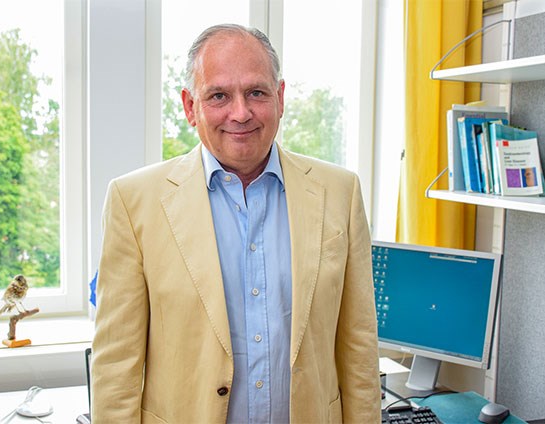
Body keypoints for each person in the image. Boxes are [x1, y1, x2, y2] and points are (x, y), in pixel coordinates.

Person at [91, 23, 380, 423]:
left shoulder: (340, 193)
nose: (240, 113)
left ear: (280, 98)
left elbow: (359, 348)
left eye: (256, 93)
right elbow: (116, 364)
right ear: (190, 107)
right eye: (219, 96)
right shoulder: (133, 201)